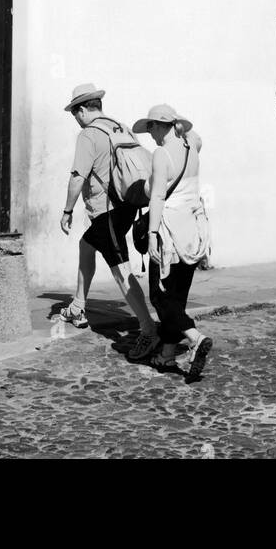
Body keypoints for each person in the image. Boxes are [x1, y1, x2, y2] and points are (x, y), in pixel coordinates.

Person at [58, 85, 159, 362]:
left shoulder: (89, 134)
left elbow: (78, 176)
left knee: (120, 270)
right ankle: (78, 306)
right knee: (86, 244)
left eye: (75, 113)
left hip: (107, 211)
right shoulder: (120, 127)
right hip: (127, 205)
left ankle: (149, 329)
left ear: (82, 109)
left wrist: (67, 210)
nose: (75, 119)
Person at [132, 103, 213, 380]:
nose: (150, 134)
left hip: (169, 230)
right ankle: (167, 355)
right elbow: (195, 134)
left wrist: (152, 234)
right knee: (176, 296)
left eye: (151, 127)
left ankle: (194, 337)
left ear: (158, 125)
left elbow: (156, 197)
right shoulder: (192, 143)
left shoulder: (161, 153)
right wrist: (182, 125)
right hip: (194, 227)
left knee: (159, 295)